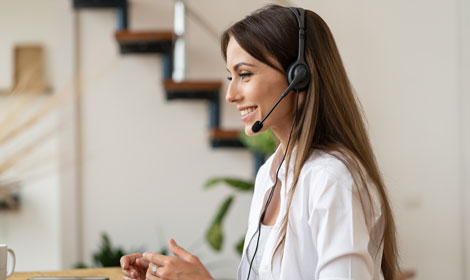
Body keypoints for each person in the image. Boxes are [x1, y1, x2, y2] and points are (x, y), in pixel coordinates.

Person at [120, 4, 399, 280]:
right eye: (231, 76)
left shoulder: (332, 180)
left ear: (298, 77)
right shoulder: (269, 174)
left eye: (244, 75)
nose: (230, 94)